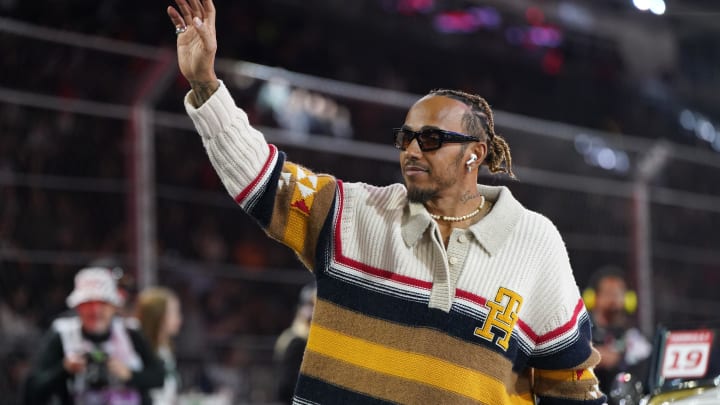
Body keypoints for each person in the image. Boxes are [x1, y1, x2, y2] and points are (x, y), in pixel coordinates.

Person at [166, 0, 606, 402]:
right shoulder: (354, 214)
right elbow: (261, 175)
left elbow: (569, 384)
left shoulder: (535, 243)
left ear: (476, 153)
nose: (412, 151)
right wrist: (205, 83)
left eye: (431, 139)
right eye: (406, 138)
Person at [23, 267, 164, 405]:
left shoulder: (130, 332)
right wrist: (65, 370)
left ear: (114, 306)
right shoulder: (63, 334)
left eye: (102, 303)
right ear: (77, 306)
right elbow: (32, 390)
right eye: (88, 304)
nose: (95, 311)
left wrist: (129, 375)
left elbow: (159, 377)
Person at [583, 266, 652, 394]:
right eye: (608, 293)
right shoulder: (582, 331)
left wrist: (620, 358)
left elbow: (647, 357)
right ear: (593, 298)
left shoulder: (632, 335)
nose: (614, 299)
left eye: (619, 293)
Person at [135, 286, 183, 405]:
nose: (179, 319)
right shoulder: (140, 350)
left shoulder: (166, 349)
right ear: (158, 316)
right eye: (174, 313)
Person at [273, 283, 316, 403]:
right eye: (311, 305)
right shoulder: (296, 341)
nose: (314, 311)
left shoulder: (300, 338)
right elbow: (286, 386)